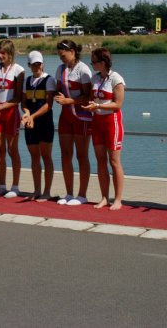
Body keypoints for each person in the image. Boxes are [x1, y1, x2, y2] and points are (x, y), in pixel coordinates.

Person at [82, 48, 125, 210]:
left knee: (114, 161)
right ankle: (104, 197)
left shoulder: (116, 79)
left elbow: (118, 104)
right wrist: (90, 106)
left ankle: (118, 199)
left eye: (93, 62)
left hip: (111, 122)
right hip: (97, 121)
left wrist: (98, 106)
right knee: (100, 160)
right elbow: (91, 98)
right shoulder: (95, 78)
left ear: (102, 62)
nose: (91, 64)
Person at [54, 40, 92, 205]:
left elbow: (88, 96)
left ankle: (82, 195)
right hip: (65, 116)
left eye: (63, 54)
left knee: (81, 155)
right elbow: (58, 90)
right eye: (59, 55)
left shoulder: (83, 70)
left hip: (82, 117)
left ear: (73, 51)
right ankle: (69, 193)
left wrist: (69, 100)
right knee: (65, 154)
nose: (61, 57)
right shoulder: (60, 69)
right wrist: (56, 96)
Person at [0, 40, 25, 198]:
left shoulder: (19, 70)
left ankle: (15, 186)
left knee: (12, 149)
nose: (0, 56)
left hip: (10, 113)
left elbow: (18, 98)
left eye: (3, 53)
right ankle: (2, 185)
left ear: (10, 54)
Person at [20, 51, 55, 202]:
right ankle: (37, 190)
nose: (36, 67)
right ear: (29, 65)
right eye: (33, 64)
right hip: (30, 123)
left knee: (46, 157)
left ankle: (47, 192)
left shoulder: (49, 80)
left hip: (44, 123)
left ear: (42, 64)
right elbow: (24, 102)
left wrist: (32, 117)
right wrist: (27, 113)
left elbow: (49, 104)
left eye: (38, 64)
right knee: (34, 157)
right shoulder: (26, 81)